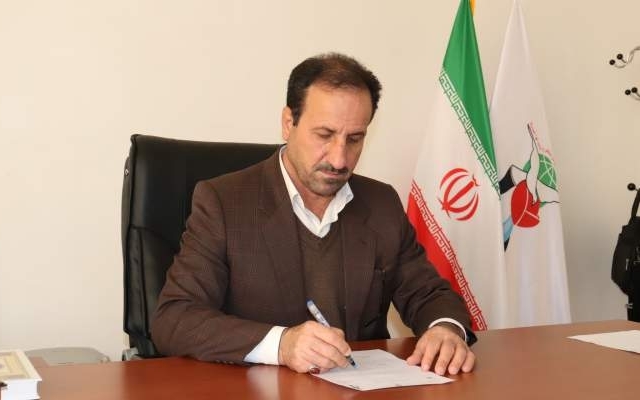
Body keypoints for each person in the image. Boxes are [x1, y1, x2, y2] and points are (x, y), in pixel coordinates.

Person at [151, 53, 476, 376]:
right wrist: (281, 345)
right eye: (324, 135)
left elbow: (428, 293)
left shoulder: (381, 204)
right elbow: (175, 318)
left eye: (354, 139)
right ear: (288, 123)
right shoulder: (224, 203)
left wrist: (445, 329)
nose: (339, 159)